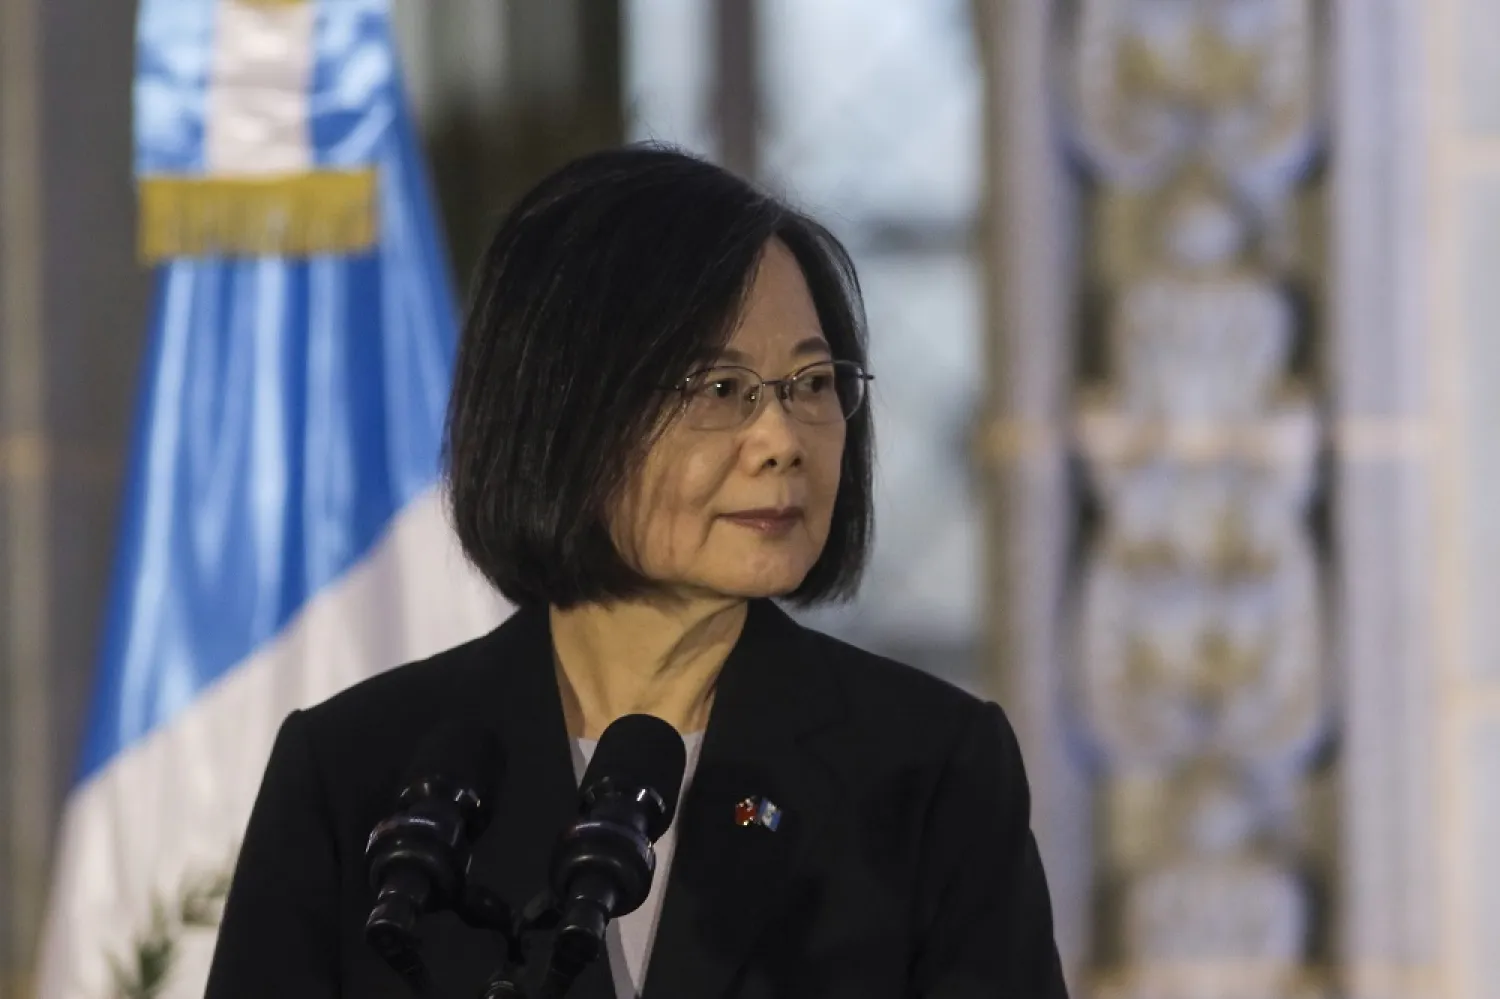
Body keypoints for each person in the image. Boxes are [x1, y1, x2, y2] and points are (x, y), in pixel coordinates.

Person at [204, 145, 1068, 999]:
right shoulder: (360, 773)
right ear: (564, 409)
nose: (782, 440)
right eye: (720, 388)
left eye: (811, 381)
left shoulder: (927, 772)